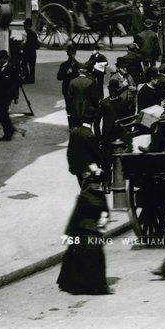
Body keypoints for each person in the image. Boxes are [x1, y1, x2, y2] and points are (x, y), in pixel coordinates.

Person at [57, 164, 112, 295]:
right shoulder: (84, 197)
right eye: (94, 183)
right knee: (80, 256)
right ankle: (80, 285)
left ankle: (95, 284)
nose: (97, 185)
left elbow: (106, 211)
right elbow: (74, 216)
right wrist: (67, 233)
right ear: (89, 183)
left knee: (96, 257)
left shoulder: (101, 197)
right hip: (82, 231)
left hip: (96, 232)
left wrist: (105, 218)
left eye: (98, 183)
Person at [0, 49, 21, 141]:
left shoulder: (11, 70)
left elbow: (16, 84)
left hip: (7, 96)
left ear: (5, 59)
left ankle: (8, 134)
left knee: (3, 114)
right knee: (2, 115)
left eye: (1, 59)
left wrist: (15, 97)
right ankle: (9, 130)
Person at [67, 122, 106, 188]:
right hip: (89, 169)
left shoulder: (74, 132)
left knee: (83, 188)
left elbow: (69, 153)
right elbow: (98, 155)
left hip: (78, 168)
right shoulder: (89, 135)